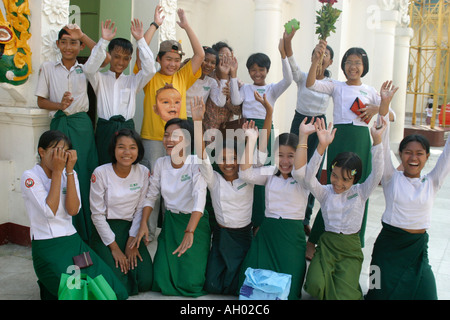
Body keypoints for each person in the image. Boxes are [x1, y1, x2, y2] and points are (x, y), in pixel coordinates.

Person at [305, 41, 393, 259]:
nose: (353, 66)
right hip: (340, 138)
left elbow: (389, 115)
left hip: (363, 140)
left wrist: (376, 107)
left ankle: (355, 240)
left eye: (358, 62)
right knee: (331, 189)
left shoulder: (371, 91)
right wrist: (317, 59)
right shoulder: (336, 86)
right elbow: (310, 84)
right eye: (349, 62)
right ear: (343, 65)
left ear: (365, 66)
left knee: (361, 189)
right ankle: (314, 240)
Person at [365, 82, 450, 300]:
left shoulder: (432, 182)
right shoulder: (391, 178)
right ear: (400, 154)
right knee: (375, 291)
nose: (413, 158)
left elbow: (447, 155)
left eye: (419, 153)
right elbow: (382, 137)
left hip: (417, 251)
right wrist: (384, 105)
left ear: (427, 157)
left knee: (428, 296)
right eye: (408, 152)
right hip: (386, 249)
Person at [20, 130, 128, 300]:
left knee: (110, 289)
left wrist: (68, 172)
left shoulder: (69, 173)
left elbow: (73, 210)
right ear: (41, 152)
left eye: (64, 151)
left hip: (73, 242)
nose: (60, 157)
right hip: (47, 246)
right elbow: (50, 211)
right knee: (75, 292)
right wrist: (57, 172)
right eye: (56, 151)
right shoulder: (30, 177)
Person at [191, 91, 272, 295]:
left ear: (240, 159)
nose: (228, 163)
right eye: (223, 158)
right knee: (213, 285)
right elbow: (201, 156)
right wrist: (197, 122)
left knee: (242, 287)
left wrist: (269, 112)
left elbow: (262, 145)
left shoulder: (248, 176)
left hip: (244, 236)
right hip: (222, 236)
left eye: (233, 158)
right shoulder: (214, 179)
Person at [135, 6, 204, 242]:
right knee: (152, 190)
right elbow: (140, 52)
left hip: (179, 140)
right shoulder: (149, 75)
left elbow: (200, 56)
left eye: (177, 60)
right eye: (168, 59)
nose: (173, 64)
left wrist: (186, 26)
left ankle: (173, 232)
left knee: (178, 188)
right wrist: (154, 26)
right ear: (158, 59)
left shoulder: (182, 76)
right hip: (154, 140)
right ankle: (149, 232)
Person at [35, 25, 109, 243]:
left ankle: (87, 228)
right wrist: (60, 104)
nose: (68, 47)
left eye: (73, 42)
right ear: (58, 45)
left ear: (81, 46)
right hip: (59, 123)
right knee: (57, 170)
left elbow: (103, 59)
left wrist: (83, 34)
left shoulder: (85, 68)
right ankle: (62, 225)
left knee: (84, 171)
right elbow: (40, 101)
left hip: (81, 125)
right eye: (64, 42)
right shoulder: (48, 67)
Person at [302, 117, 386, 300]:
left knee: (345, 295)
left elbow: (378, 172)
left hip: (350, 249)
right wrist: (321, 147)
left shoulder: (361, 192)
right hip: (326, 247)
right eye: (334, 175)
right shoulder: (325, 193)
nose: (338, 183)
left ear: (354, 180)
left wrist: (377, 141)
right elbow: (308, 178)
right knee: (315, 285)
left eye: (346, 179)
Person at [134, 118, 209, 297]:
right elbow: (151, 195)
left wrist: (190, 231)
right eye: (166, 135)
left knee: (192, 283)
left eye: (175, 136)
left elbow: (200, 198)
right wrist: (143, 223)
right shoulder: (161, 163)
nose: (168, 140)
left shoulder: (195, 162)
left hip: (194, 224)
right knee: (160, 280)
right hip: (171, 224)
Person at [237, 122, 310, 300]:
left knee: (289, 293)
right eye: (280, 155)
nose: (285, 161)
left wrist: (304, 137)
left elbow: (300, 170)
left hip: (292, 237)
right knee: (247, 284)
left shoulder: (305, 177)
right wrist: (252, 140)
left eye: (291, 156)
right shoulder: (270, 173)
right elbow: (245, 174)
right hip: (268, 234)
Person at [229, 36, 293, 230]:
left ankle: (260, 220)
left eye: (261, 69)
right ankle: (243, 217)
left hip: (264, 130)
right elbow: (235, 100)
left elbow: (289, 79)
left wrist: (283, 55)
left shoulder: (272, 89)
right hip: (246, 132)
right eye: (253, 70)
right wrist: (233, 74)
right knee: (245, 172)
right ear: (248, 71)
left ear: (267, 70)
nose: (257, 73)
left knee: (262, 174)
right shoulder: (246, 88)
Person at [82, 19, 156, 165]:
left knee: (127, 166)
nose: (120, 62)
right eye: (116, 57)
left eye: (126, 58)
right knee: (104, 166)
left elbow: (150, 70)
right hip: (105, 130)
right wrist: (103, 41)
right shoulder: (99, 78)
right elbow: (89, 68)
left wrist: (140, 40)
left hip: (127, 130)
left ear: (130, 60)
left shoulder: (133, 81)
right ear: (109, 55)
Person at [283, 24, 334, 236]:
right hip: (299, 122)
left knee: (312, 170)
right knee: (293, 166)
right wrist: (288, 38)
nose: (320, 57)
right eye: (316, 53)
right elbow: (289, 55)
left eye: (325, 55)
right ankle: (289, 209)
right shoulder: (302, 77)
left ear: (330, 61)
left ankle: (305, 217)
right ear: (312, 56)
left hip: (318, 126)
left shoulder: (332, 84)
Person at [89, 128, 153, 296]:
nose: (127, 152)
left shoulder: (143, 172)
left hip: (131, 229)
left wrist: (132, 242)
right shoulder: (101, 173)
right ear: (113, 149)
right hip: (105, 231)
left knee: (145, 280)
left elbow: (141, 208)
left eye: (132, 147)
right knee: (119, 284)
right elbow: (97, 215)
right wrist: (115, 248)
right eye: (121, 147)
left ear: (138, 150)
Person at [185, 46, 227, 120]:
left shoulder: (211, 82)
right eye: (205, 60)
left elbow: (220, 102)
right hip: (180, 117)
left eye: (213, 63)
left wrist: (224, 77)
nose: (208, 65)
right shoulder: (185, 76)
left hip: (197, 119)